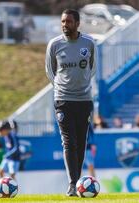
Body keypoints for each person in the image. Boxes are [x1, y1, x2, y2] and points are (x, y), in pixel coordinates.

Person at [45, 9, 96, 196]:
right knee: (68, 141)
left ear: (77, 23)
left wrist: (81, 85)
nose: (64, 24)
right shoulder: (54, 44)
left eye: (68, 21)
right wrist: (61, 88)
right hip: (63, 99)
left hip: (83, 99)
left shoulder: (89, 43)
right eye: (63, 21)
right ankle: (72, 183)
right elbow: (50, 71)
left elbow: (92, 68)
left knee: (81, 142)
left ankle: (78, 180)